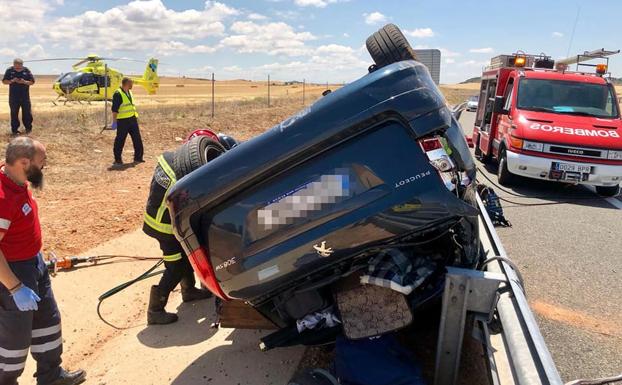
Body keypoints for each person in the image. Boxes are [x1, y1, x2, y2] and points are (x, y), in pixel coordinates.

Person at [0, 137, 86, 385]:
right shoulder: (3, 198)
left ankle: (51, 376)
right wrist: (15, 287)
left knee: (48, 321)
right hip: (13, 273)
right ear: (24, 162)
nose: (45, 165)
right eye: (42, 161)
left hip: (34, 264)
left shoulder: (16, 178)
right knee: (13, 339)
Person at [142, 140, 218, 325]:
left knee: (186, 254)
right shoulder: (188, 180)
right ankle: (155, 310)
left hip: (158, 219)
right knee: (175, 266)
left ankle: (188, 290)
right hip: (164, 228)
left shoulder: (172, 160)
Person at [111, 77, 144, 166]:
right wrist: (114, 122)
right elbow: (114, 110)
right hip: (122, 121)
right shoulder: (118, 94)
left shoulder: (129, 92)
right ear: (126, 84)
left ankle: (138, 157)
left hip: (132, 119)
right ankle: (118, 160)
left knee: (137, 139)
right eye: (131, 83)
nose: (132, 85)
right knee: (120, 140)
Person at [2, 58, 35, 135]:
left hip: (25, 96)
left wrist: (24, 82)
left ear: (22, 65)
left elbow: (32, 82)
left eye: (19, 67)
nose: (17, 69)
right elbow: (4, 81)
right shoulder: (9, 70)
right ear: (13, 65)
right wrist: (12, 81)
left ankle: (28, 129)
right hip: (13, 97)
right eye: (16, 67)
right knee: (14, 113)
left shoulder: (27, 70)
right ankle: (15, 130)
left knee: (27, 113)